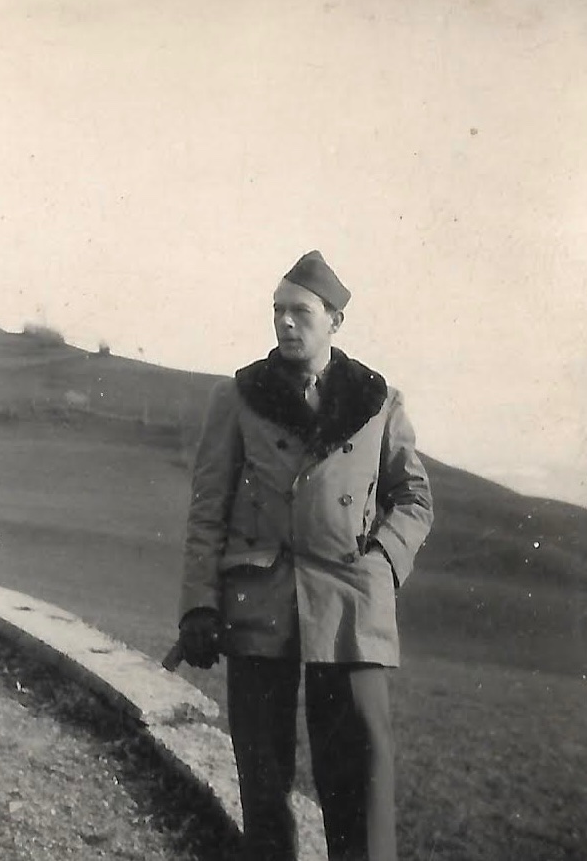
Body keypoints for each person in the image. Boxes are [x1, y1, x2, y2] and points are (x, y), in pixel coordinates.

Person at [176, 250, 433, 861]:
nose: (286, 324)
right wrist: (198, 608)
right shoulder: (239, 397)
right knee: (263, 780)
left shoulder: (378, 402)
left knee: (360, 782)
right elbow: (207, 509)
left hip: (349, 609)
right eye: (277, 312)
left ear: (335, 321)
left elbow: (415, 497)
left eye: (301, 312)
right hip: (260, 602)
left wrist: (384, 563)